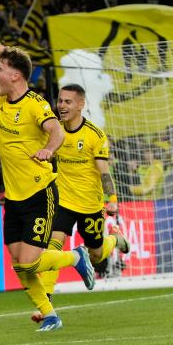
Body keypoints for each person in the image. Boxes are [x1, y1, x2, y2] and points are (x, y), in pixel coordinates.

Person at [0, 45, 97, 332]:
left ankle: (75, 256)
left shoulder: (35, 104)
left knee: (29, 261)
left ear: (15, 74)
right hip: (13, 198)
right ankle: (50, 315)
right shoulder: (0, 101)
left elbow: (56, 130)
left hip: (40, 193)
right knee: (18, 264)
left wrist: (49, 150)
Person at [37, 84, 130, 313]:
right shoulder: (55, 130)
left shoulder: (94, 135)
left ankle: (115, 240)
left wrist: (112, 199)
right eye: (60, 101)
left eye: (68, 102)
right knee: (53, 247)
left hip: (90, 204)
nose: (62, 106)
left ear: (81, 105)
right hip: (63, 201)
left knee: (96, 255)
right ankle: (45, 305)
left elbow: (104, 172)